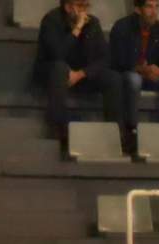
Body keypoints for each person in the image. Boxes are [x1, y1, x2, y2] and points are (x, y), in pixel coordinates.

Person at [35, 0, 119, 142]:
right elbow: (57, 54)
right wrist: (77, 28)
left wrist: (81, 74)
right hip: (53, 75)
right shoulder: (51, 20)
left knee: (113, 78)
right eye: (80, 6)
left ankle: (115, 135)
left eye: (86, 5)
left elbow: (105, 58)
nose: (84, 10)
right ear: (68, 7)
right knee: (59, 68)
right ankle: (57, 132)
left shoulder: (93, 23)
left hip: (80, 75)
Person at [109, 0, 159, 147]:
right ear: (138, 9)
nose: (154, 11)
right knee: (134, 79)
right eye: (149, 6)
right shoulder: (122, 27)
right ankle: (132, 129)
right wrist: (140, 69)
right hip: (131, 74)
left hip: (154, 77)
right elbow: (116, 60)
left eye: (156, 7)